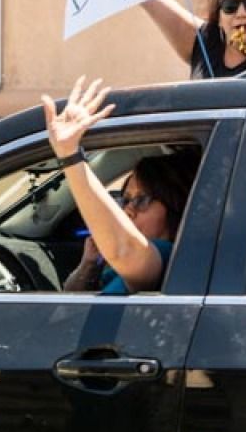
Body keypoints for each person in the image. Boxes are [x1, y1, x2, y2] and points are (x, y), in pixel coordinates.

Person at [41, 78, 200, 294]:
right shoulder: (118, 266)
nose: (128, 210)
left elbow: (124, 250)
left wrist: (69, 153)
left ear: (174, 203)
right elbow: (69, 299)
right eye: (125, 199)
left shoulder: (166, 255)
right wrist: (89, 264)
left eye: (142, 200)